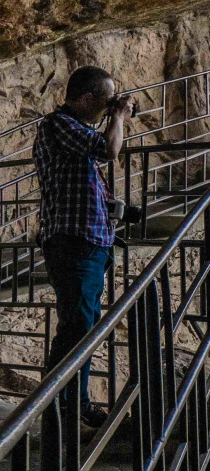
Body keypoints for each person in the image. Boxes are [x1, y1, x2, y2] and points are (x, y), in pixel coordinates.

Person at [33, 66, 133, 426]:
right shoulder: (58, 125)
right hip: (73, 242)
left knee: (84, 325)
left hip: (89, 240)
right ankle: (58, 410)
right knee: (77, 326)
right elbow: (109, 149)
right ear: (87, 98)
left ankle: (74, 404)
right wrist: (120, 117)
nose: (109, 109)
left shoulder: (74, 129)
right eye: (106, 102)